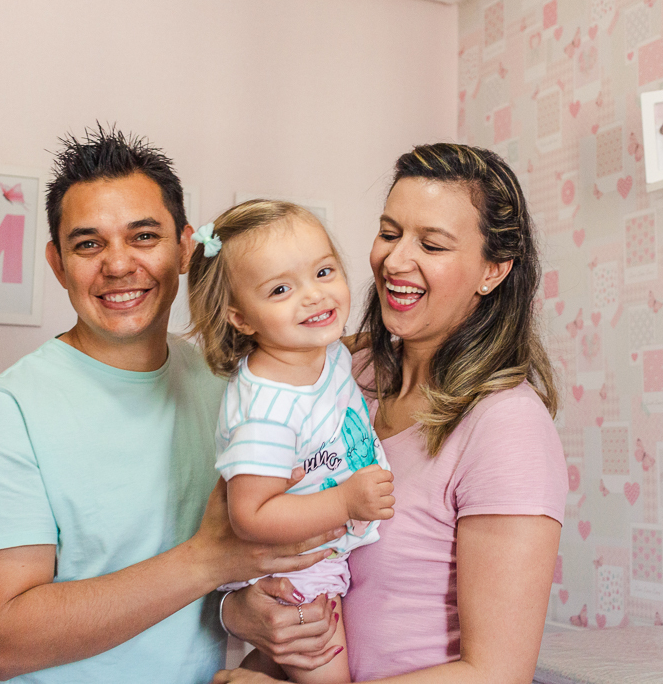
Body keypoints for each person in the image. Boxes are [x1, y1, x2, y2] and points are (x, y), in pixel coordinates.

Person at [0, 127, 342, 684]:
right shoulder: (9, 413)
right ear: (57, 264)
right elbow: (5, 642)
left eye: (143, 237)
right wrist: (207, 560)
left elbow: (219, 579)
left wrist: (241, 611)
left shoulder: (228, 386)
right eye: (88, 244)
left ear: (184, 250)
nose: (117, 265)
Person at [216, 143, 568, 683]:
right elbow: (254, 540)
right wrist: (239, 614)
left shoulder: (506, 427)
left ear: (493, 271)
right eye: (388, 233)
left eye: (431, 244)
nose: (396, 261)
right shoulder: (338, 374)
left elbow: (496, 674)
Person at [186, 200, 396, 684]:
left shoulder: (321, 353)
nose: (314, 297)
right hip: (299, 565)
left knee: (287, 665)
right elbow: (250, 515)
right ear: (240, 318)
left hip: (318, 555)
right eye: (281, 288)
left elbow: (349, 348)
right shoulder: (268, 411)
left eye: (324, 272)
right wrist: (345, 500)